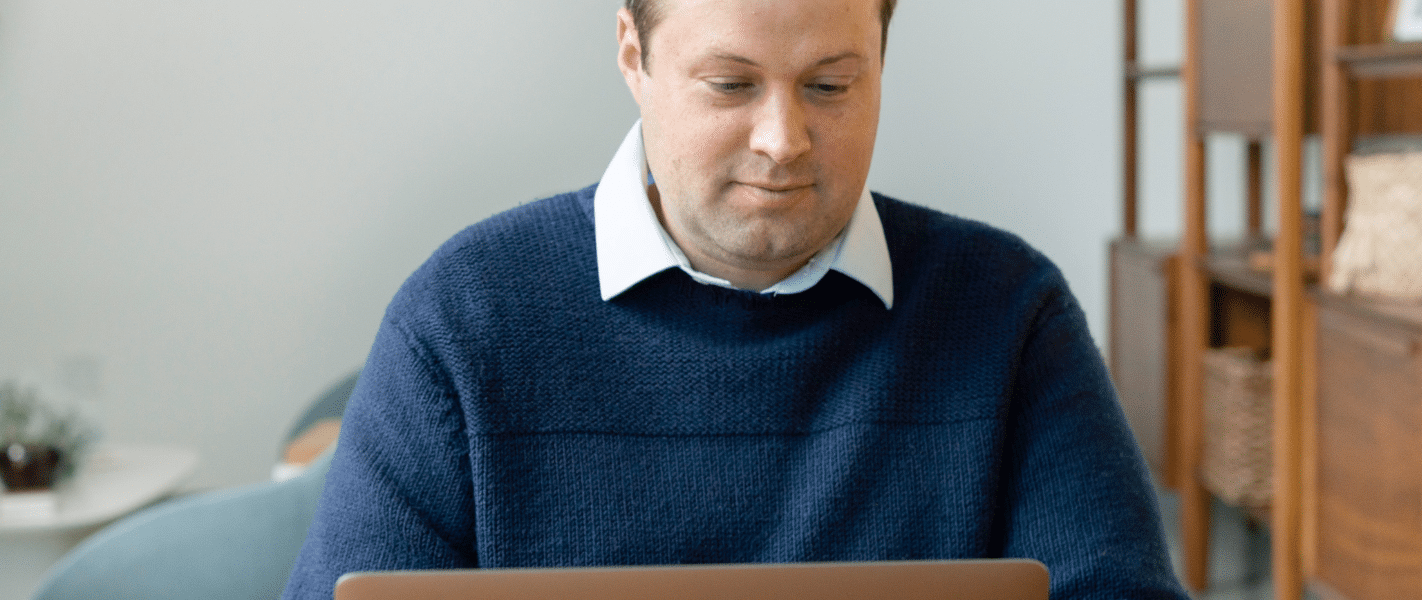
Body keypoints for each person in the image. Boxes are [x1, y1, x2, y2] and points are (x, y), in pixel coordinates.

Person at [281, 0, 1187, 598]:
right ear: (634, 54)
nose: (783, 140)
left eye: (832, 85)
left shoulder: (1008, 312)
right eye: (731, 84)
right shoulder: (462, 322)